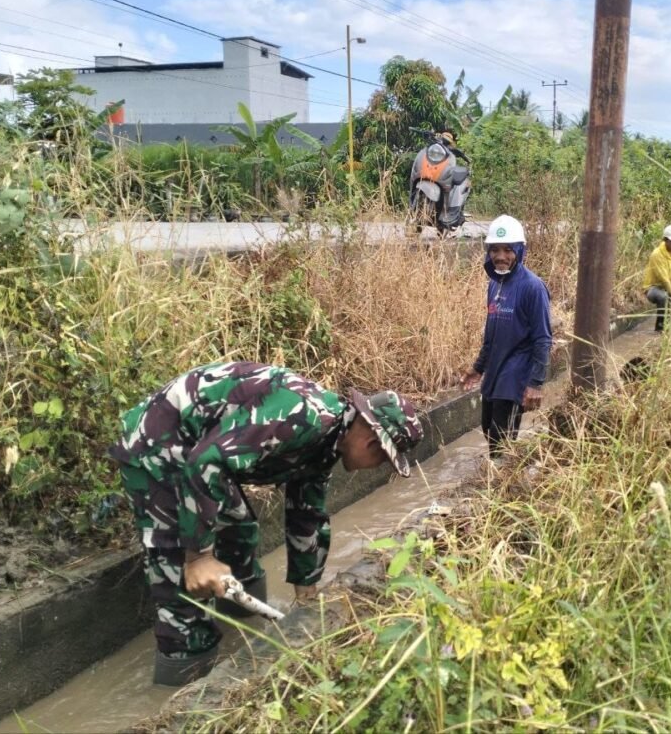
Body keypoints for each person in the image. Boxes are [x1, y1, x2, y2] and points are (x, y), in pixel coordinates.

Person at [109, 362, 423, 686]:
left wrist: (306, 595)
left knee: (240, 531)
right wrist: (198, 556)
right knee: (180, 577)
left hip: (203, 454)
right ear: (373, 442)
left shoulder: (330, 439)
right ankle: (183, 679)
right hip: (159, 445)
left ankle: (240, 620)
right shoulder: (301, 418)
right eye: (382, 460)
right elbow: (204, 463)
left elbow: (307, 513)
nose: (375, 467)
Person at [461, 215, 552, 459]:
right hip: (495, 373)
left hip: (516, 375)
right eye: (495, 250)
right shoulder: (495, 284)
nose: (501, 256)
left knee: (501, 438)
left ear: (520, 251)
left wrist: (535, 383)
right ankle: (504, 477)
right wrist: (478, 368)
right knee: (489, 430)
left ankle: (501, 488)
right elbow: (491, 334)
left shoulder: (533, 287)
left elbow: (543, 339)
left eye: (508, 250)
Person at [643, 224, 671, 331]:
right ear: (665, 240)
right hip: (654, 288)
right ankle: (661, 327)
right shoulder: (656, 255)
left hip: (670, 285)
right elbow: (664, 280)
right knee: (664, 297)